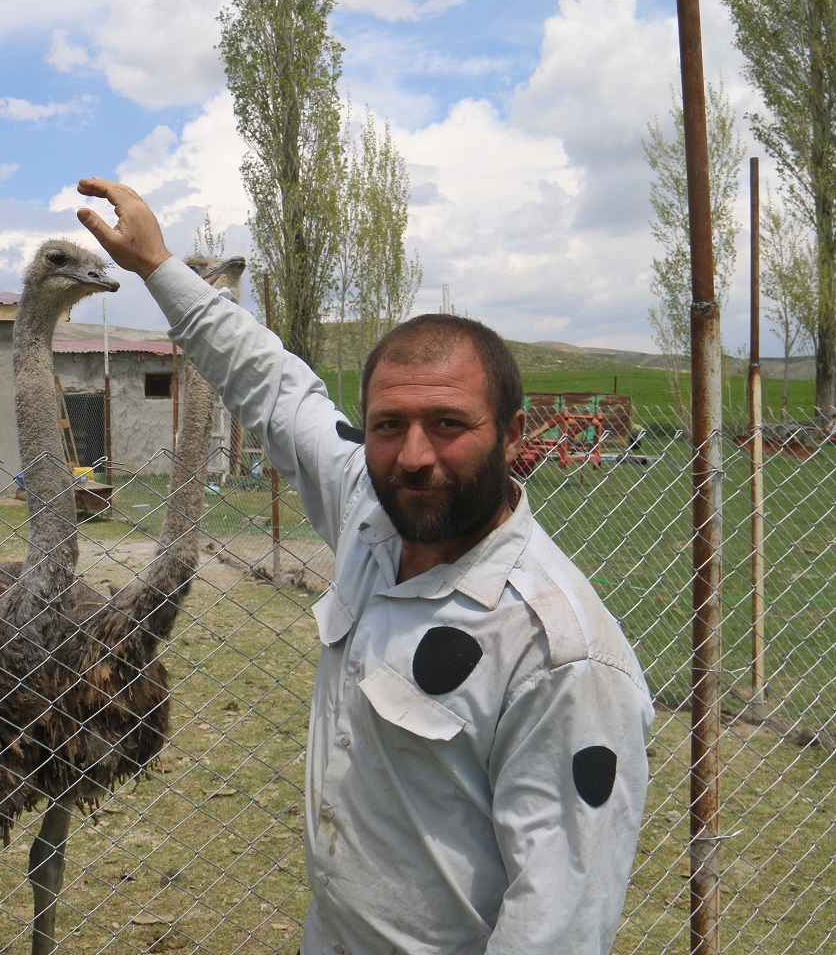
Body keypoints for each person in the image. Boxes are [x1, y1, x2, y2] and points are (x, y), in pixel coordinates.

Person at [76, 177, 654, 954]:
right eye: (389, 425)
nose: (414, 456)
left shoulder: (561, 656)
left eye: (448, 424)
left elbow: (559, 925)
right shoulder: (370, 513)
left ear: (514, 434)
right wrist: (158, 265)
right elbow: (273, 385)